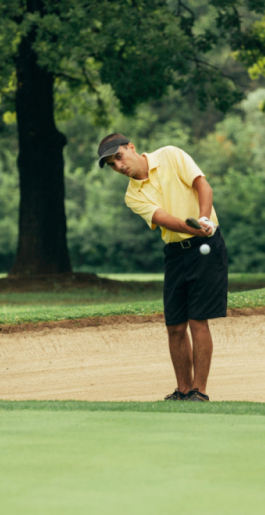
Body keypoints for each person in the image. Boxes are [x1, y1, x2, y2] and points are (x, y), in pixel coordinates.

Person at [97, 133, 228, 402]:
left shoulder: (170, 155)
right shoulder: (132, 196)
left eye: (119, 157)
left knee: (197, 320)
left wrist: (203, 218)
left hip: (207, 248)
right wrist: (191, 227)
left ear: (131, 147)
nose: (119, 166)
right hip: (175, 253)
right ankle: (182, 391)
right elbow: (165, 219)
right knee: (175, 325)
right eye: (112, 164)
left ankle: (199, 392)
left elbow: (203, 186)